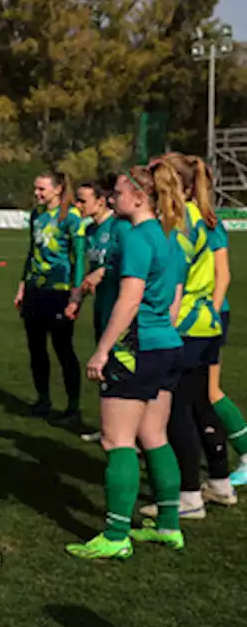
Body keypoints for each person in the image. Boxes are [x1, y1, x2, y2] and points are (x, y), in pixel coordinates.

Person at [65, 164, 186, 559]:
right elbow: (173, 299)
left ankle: (116, 536)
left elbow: (130, 299)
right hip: (166, 345)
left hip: (136, 348)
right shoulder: (170, 236)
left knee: (117, 440)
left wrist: (103, 349)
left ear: (140, 197)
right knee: (154, 435)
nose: (113, 196)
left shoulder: (135, 237)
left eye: (118, 191)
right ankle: (169, 525)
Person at [142, 154, 230, 518]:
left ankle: (189, 494)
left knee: (177, 412)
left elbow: (171, 281)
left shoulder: (179, 224)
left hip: (186, 327)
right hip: (206, 324)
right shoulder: (200, 218)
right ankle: (220, 482)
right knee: (198, 404)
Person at [16, 170, 86, 422]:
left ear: (57, 190)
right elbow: (31, 252)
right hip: (36, 291)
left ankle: (73, 407)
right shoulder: (36, 215)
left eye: (42, 189)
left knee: (63, 349)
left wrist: (75, 295)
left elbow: (79, 257)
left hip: (59, 292)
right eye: (36, 188)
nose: (36, 193)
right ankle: (43, 399)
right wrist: (23, 285)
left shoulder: (71, 217)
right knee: (36, 349)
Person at [66, 178, 130, 443]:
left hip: (120, 306)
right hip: (101, 306)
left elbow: (129, 263)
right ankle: (109, 426)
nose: (77, 204)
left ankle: (129, 431)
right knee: (105, 365)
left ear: (100, 201)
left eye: (82, 200)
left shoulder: (120, 228)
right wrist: (77, 298)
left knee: (121, 365)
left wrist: (102, 272)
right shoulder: (91, 230)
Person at [206, 214, 247, 486]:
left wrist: (211, 313)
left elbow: (223, 274)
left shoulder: (207, 222)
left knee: (209, 391)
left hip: (206, 317)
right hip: (184, 316)